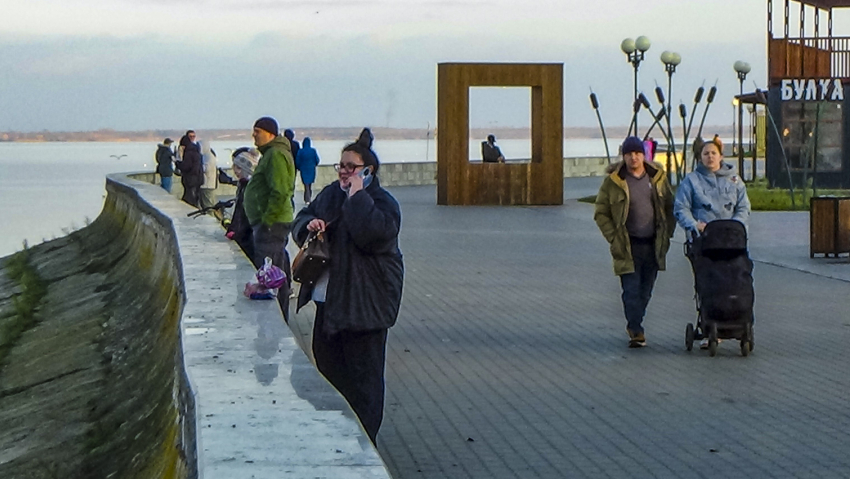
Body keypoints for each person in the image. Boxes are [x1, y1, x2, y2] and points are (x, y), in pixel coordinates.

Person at [291, 128, 404, 445]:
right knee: (328, 373)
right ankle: (335, 438)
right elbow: (302, 218)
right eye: (340, 165)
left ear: (368, 171)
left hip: (365, 308)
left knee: (363, 384)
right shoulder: (329, 194)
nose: (342, 171)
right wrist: (307, 227)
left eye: (350, 167)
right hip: (329, 305)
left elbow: (372, 234)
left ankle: (364, 444)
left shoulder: (382, 203)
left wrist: (357, 196)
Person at [594, 136, 675, 348]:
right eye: (629, 154)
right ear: (624, 156)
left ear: (643, 155)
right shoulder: (613, 182)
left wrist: (668, 233)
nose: (634, 158)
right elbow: (601, 212)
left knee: (645, 290)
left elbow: (669, 206)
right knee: (631, 290)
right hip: (627, 245)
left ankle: (636, 321)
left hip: (653, 244)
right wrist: (613, 236)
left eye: (637, 153)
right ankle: (636, 329)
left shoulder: (656, 178)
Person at [674, 136, 752, 348]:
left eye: (713, 153)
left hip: (732, 243)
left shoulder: (733, 179)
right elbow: (681, 208)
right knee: (709, 284)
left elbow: (744, 207)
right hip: (705, 243)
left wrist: (736, 226)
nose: (710, 157)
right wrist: (694, 225)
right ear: (700, 157)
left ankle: (737, 320)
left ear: (721, 155)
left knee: (735, 280)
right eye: (706, 153)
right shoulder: (692, 181)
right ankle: (711, 324)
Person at [243, 116, 297, 319]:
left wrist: (267, 220)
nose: (254, 135)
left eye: (257, 131)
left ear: (270, 133)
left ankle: (276, 319)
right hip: (271, 223)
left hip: (272, 225)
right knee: (276, 272)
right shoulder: (272, 153)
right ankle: (279, 316)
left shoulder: (275, 154)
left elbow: (280, 191)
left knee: (270, 275)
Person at [224, 147, 260, 260]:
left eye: (239, 168)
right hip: (243, 236)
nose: (235, 171)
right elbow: (238, 212)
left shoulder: (251, 188)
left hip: (249, 238)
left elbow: (246, 215)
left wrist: (238, 233)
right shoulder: (242, 185)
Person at [177, 136, 203, 207]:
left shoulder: (188, 153)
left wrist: (178, 163)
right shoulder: (196, 151)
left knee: (190, 198)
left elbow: (186, 166)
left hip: (191, 179)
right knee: (194, 197)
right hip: (197, 177)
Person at [295, 136, 320, 204]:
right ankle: (308, 198)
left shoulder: (301, 151)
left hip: (304, 169)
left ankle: (307, 199)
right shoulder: (313, 151)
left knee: (306, 184)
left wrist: (299, 167)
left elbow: (298, 160)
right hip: (311, 169)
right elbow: (317, 160)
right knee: (309, 185)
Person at [199, 140, 218, 210]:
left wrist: (198, 167)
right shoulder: (205, 156)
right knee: (205, 205)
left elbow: (206, 169)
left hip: (207, 185)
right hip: (205, 184)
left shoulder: (209, 157)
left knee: (208, 206)